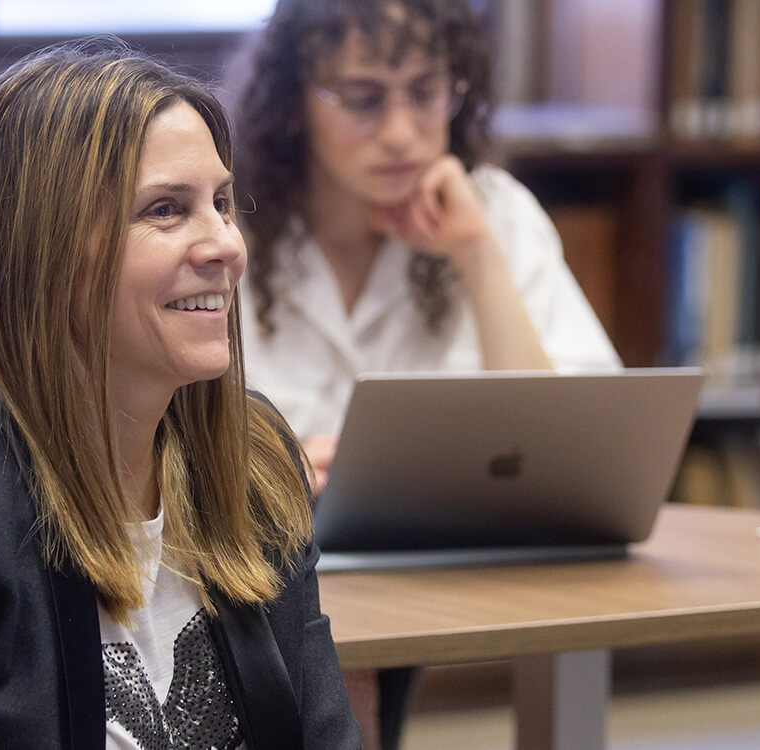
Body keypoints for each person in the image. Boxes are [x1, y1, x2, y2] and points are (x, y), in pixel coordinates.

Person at [0, 41, 361, 749]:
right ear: (48, 249)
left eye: (221, 202)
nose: (225, 244)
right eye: (165, 210)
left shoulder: (254, 457)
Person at [229, 1, 620, 746]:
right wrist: (265, 464)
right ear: (291, 103)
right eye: (365, 98)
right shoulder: (227, 220)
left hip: (449, 570)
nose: (403, 132)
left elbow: (576, 449)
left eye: (427, 91)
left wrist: (476, 257)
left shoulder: (494, 212)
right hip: (259, 576)